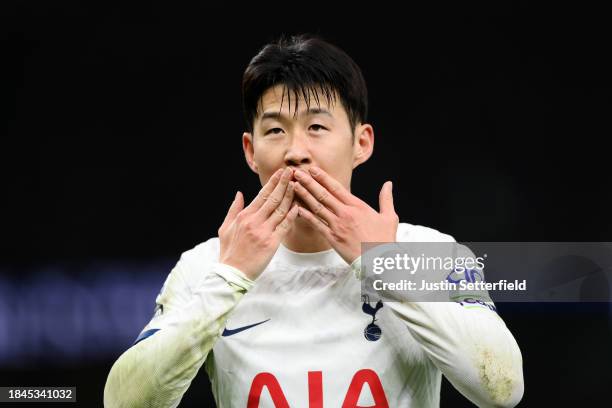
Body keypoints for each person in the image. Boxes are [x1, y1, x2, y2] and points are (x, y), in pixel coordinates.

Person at [104, 34, 524, 407]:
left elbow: (503, 389)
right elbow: (123, 402)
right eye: (275, 131)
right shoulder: (208, 267)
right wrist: (229, 278)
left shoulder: (428, 253)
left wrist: (386, 263)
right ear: (250, 152)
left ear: (361, 143)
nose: (296, 152)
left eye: (317, 126)